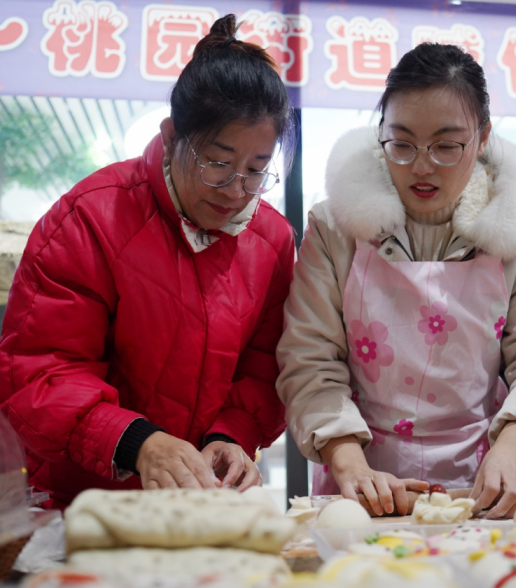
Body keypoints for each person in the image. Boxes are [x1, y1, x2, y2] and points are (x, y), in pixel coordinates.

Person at [276, 44, 516, 519]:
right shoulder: (335, 227)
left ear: (482, 138)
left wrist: (515, 447)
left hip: (482, 485)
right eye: (401, 144)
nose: (421, 166)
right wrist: (348, 462)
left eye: (446, 145)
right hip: (363, 484)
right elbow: (309, 361)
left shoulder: (515, 228)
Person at [0, 15, 295, 508]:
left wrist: (232, 434)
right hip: (85, 502)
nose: (235, 190)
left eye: (256, 170)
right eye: (218, 163)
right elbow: (39, 372)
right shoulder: (91, 218)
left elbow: (267, 366)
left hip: (199, 503)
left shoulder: (272, 240)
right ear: (173, 135)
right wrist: (139, 443)